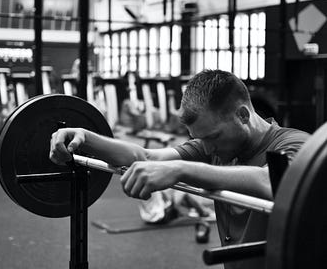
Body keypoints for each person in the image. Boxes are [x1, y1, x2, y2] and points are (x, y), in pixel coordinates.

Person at [49, 69, 310, 269]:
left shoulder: (293, 143)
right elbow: (146, 156)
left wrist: (181, 170)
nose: (207, 150)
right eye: (201, 139)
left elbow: (272, 181)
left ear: (242, 115)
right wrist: (85, 137)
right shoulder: (217, 147)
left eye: (213, 137)